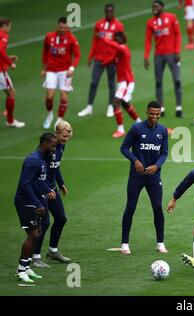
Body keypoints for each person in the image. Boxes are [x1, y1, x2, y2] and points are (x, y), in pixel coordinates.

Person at [119, 101, 168, 254]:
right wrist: (135, 160)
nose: (154, 117)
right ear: (147, 112)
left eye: (157, 114)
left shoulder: (163, 130)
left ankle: (160, 243)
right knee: (131, 207)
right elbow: (124, 147)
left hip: (154, 176)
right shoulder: (137, 128)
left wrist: (157, 165)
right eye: (152, 114)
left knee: (158, 207)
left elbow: (164, 152)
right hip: (137, 176)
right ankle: (125, 244)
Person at [14, 132, 58, 283]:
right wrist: (38, 204)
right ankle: (21, 270)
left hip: (32, 201)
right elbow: (24, 184)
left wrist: (48, 189)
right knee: (33, 235)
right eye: (53, 145)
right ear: (44, 143)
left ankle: (26, 267)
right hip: (25, 202)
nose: (54, 149)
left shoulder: (41, 160)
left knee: (36, 234)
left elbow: (39, 181)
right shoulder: (33, 160)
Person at [32, 121, 73, 268]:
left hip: (52, 188)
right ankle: (35, 257)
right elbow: (39, 172)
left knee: (61, 218)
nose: (66, 139)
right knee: (44, 222)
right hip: (41, 189)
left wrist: (61, 183)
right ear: (56, 133)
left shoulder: (61, 146)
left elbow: (56, 167)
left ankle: (52, 251)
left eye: (68, 136)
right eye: (64, 136)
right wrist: (46, 189)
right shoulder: (47, 149)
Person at [78, 4, 124, 118]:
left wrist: (116, 58)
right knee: (94, 83)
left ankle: (110, 107)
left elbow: (120, 43)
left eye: (111, 12)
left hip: (111, 60)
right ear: (105, 12)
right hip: (99, 58)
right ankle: (89, 107)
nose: (109, 13)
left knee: (111, 83)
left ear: (113, 12)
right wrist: (90, 56)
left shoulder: (118, 26)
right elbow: (95, 41)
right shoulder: (99, 24)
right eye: (107, 11)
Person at [144, 0, 182, 118]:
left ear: (162, 7)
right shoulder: (150, 22)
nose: (154, 9)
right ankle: (161, 108)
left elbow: (178, 34)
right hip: (159, 55)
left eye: (156, 6)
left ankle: (179, 108)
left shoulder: (171, 17)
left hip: (172, 54)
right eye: (152, 7)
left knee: (177, 80)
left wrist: (177, 51)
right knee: (159, 82)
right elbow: (148, 41)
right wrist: (146, 56)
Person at [41, 17, 80, 129]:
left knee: (64, 97)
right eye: (61, 27)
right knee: (50, 97)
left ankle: (59, 119)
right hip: (51, 70)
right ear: (57, 26)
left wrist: (72, 69)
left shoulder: (72, 39)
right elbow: (45, 52)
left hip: (65, 71)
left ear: (67, 27)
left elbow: (77, 55)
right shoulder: (49, 37)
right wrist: (44, 68)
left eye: (65, 27)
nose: (62, 29)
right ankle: (49, 114)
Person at [101, 31, 142, 138]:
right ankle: (139, 123)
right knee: (125, 104)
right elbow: (113, 58)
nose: (117, 40)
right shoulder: (119, 51)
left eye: (119, 38)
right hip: (122, 82)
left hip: (127, 82)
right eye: (116, 38)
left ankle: (120, 129)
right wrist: (103, 64)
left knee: (116, 102)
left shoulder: (124, 48)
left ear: (123, 39)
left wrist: (104, 39)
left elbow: (115, 46)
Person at [0, 17, 25, 128]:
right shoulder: (4, 36)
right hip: (0, 71)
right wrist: (10, 63)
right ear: (4, 26)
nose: (10, 28)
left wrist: (8, 57)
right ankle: (10, 121)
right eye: (9, 26)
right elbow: (0, 50)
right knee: (11, 93)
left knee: (10, 93)